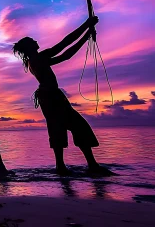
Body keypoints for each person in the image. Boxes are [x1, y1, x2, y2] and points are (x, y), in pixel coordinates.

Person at [12, 16, 112, 176]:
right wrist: (87, 26)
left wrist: (86, 34)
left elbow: (66, 53)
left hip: (51, 97)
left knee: (69, 128)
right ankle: (75, 166)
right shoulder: (37, 58)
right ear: (29, 47)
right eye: (32, 40)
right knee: (71, 127)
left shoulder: (36, 59)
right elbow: (65, 46)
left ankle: (75, 165)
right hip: (51, 98)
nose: (35, 40)